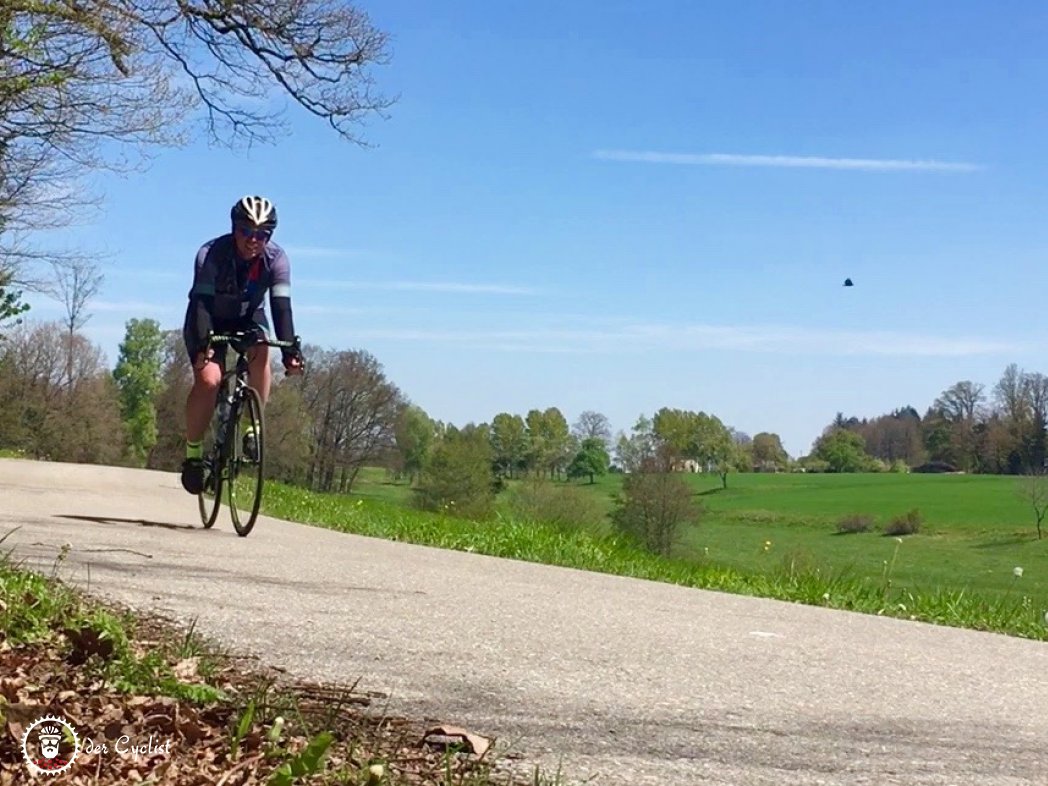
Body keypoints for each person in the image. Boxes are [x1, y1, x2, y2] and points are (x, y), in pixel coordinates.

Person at [180, 195, 304, 494]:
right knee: (209, 381)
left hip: (248, 316)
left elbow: (281, 307)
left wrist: (290, 352)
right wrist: (203, 348)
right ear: (234, 228)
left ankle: (254, 428)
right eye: (246, 231)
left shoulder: (276, 259)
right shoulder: (211, 253)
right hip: (209, 317)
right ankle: (193, 455)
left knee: (262, 348)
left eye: (262, 234)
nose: (253, 240)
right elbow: (201, 303)